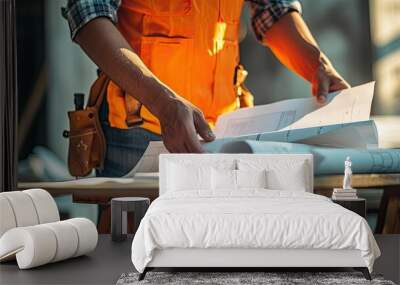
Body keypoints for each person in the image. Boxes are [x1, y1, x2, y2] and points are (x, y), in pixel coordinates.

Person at [63, 0, 350, 177]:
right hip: (137, 130)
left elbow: (273, 9)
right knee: (136, 261)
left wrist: (318, 66)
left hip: (224, 130)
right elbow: (88, 12)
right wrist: (163, 103)